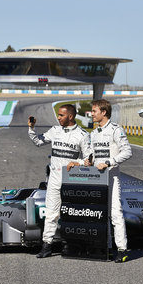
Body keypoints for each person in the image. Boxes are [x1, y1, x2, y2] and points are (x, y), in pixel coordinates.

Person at [28, 104, 92, 258]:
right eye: (58, 115)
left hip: (73, 180)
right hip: (55, 179)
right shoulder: (55, 131)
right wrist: (31, 128)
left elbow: (90, 158)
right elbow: (38, 141)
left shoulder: (83, 134)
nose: (58, 117)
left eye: (61, 115)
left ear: (70, 116)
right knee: (51, 213)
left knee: (71, 214)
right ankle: (47, 245)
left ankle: (70, 244)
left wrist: (78, 163)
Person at [86, 99, 132, 263]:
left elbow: (127, 151)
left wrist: (109, 162)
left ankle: (122, 249)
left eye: (94, 111)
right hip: (97, 178)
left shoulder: (115, 130)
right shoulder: (94, 133)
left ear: (103, 112)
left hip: (112, 176)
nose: (92, 114)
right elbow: (92, 154)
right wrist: (88, 161)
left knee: (115, 213)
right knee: (100, 215)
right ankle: (106, 248)